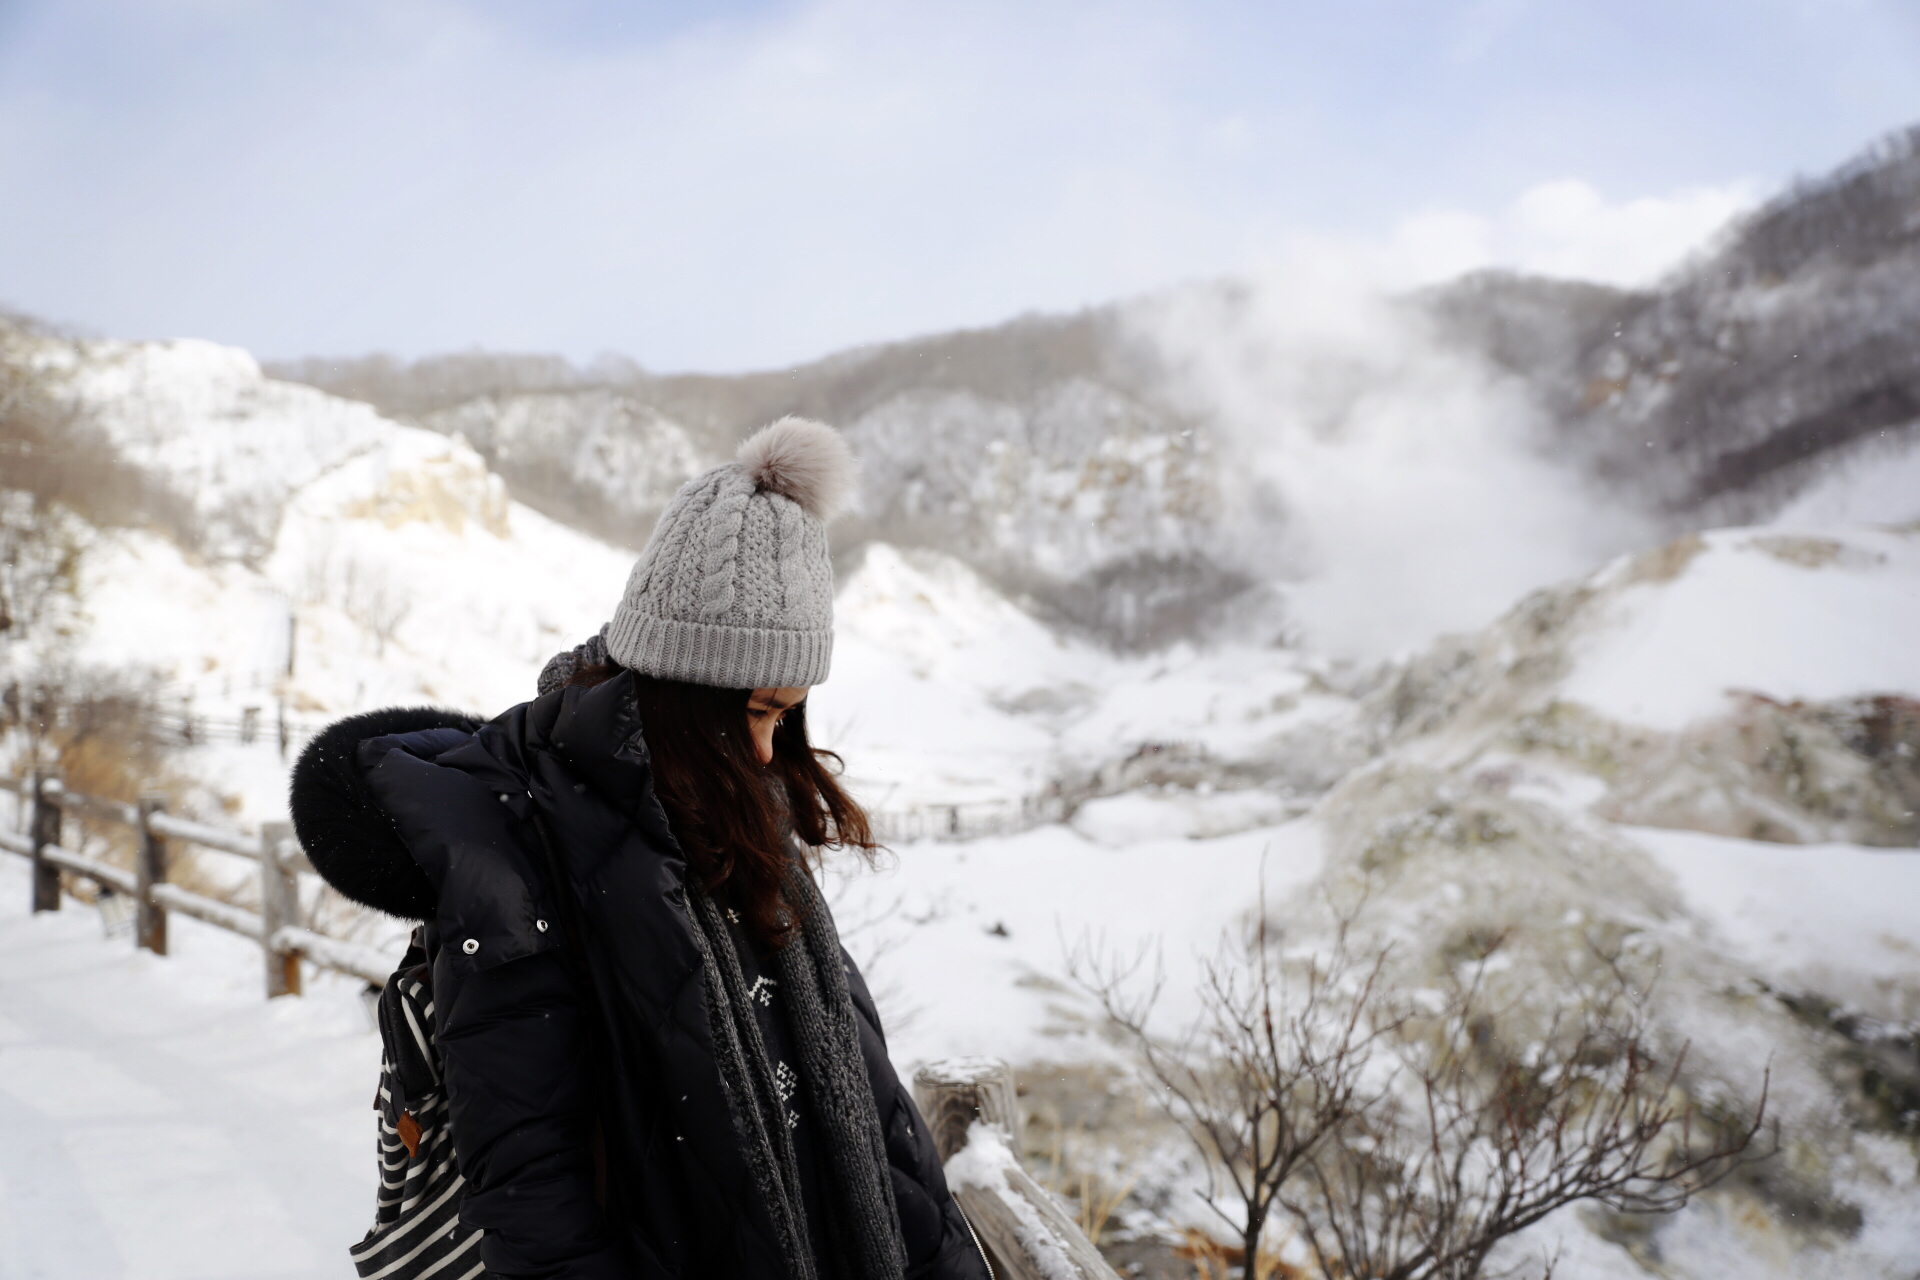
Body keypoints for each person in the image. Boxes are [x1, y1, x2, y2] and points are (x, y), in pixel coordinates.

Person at [292, 418, 992, 1280]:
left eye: (788, 716)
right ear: (683, 691)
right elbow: (531, 1190)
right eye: (758, 713)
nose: (772, 754)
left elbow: (875, 1121)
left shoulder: (735, 820)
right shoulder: (524, 858)